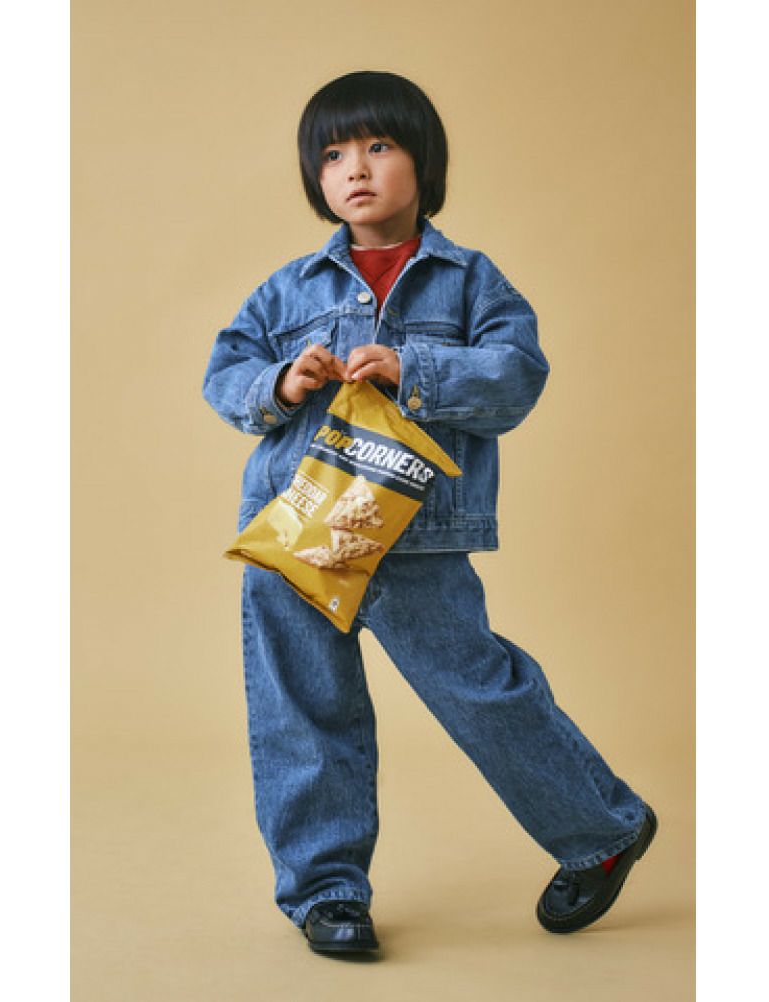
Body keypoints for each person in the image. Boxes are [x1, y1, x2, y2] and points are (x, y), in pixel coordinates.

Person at [201, 70, 657, 958]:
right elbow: (226, 375)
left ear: (424, 162)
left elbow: (518, 376)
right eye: (333, 154)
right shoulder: (286, 291)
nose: (355, 168)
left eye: (378, 146)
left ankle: (603, 830)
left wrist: (417, 369)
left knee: (478, 688)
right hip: (296, 535)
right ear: (316, 177)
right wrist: (280, 383)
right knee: (301, 712)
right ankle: (326, 892)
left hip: (416, 537)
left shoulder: (471, 281)